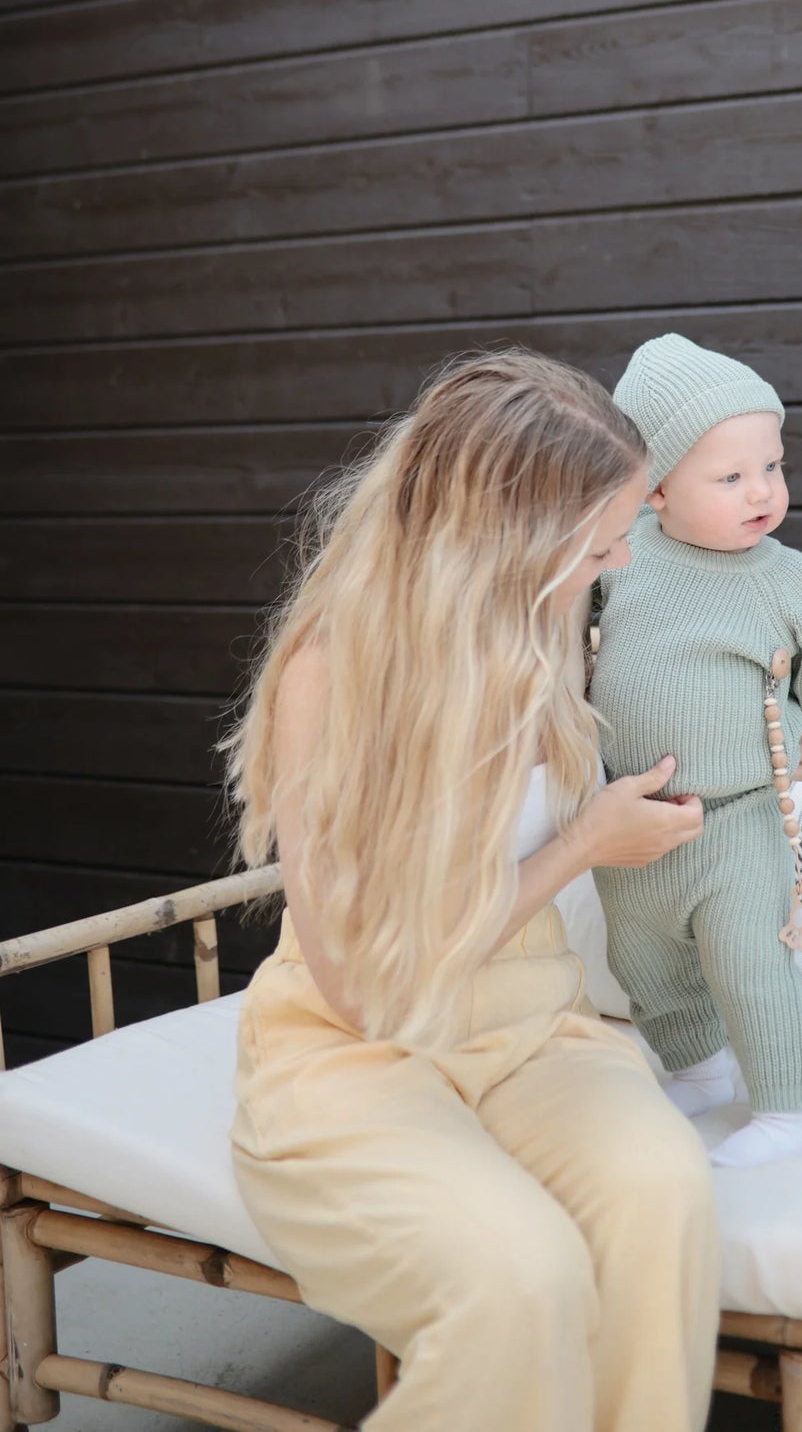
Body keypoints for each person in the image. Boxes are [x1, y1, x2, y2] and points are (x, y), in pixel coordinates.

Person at [223, 349, 720, 1431]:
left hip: (530, 1027)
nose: (621, 558)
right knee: (519, 1280)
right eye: (599, 538)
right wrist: (581, 844)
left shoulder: (544, 625)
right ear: (507, 536)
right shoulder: (331, 674)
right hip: (361, 1046)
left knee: (662, 1194)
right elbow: (362, 984)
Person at [591, 334, 802, 1169]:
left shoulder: (783, 577)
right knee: (642, 957)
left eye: (772, 466)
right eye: (730, 477)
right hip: (631, 820)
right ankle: (698, 1068)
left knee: (750, 963)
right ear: (653, 490)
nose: (762, 490)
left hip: (737, 819)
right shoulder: (621, 556)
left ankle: (789, 1110)